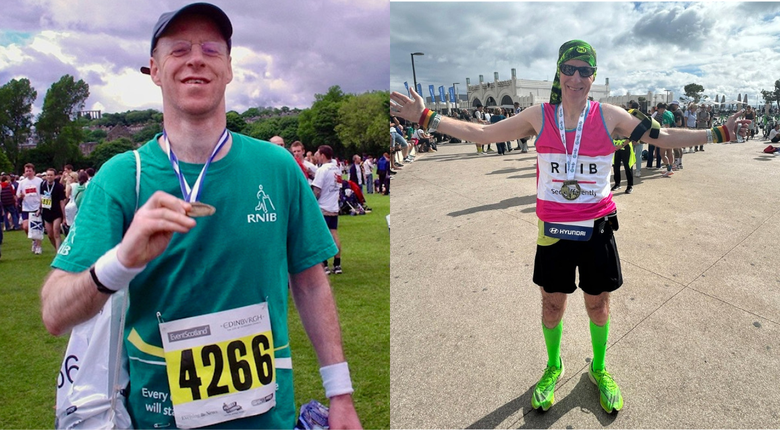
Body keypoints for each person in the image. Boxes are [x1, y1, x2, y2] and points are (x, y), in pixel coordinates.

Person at [41, 4, 361, 429]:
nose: (196, 58)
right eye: (179, 50)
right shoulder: (122, 177)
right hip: (159, 417)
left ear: (229, 68)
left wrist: (340, 394)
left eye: (211, 49)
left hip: (267, 419)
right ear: (154, 69)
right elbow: (54, 313)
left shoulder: (277, 166)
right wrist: (121, 262)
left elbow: (310, 282)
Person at [391, 39, 749, 415]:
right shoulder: (539, 115)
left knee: (598, 305)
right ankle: (553, 366)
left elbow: (662, 137)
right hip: (553, 232)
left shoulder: (610, 116)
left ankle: (598, 368)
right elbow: (481, 133)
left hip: (596, 229)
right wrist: (427, 117)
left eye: (585, 70)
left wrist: (718, 133)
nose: (577, 77)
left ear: (593, 76)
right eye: (570, 69)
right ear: (559, 72)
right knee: (551, 305)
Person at [311, 145, 343, 275]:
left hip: (322, 207)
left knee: (321, 236)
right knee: (334, 234)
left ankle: (324, 264)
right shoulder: (337, 169)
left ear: (323, 155)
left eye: (318, 154)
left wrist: (311, 203)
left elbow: (317, 190)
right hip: (333, 206)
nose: (316, 156)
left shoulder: (322, 170)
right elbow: (338, 186)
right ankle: (337, 264)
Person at [17, 163, 43, 254]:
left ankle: (39, 246)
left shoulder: (39, 181)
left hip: (37, 206)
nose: (28, 172)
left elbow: (43, 193)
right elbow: (18, 195)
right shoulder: (22, 183)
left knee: (37, 227)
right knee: (25, 227)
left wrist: (41, 205)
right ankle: (34, 240)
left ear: (33, 171)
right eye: (26, 171)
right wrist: (20, 196)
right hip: (26, 207)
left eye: (30, 171)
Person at [40, 168, 67, 252]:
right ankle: (59, 250)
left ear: (55, 176)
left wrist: (64, 216)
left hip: (56, 212)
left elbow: (62, 202)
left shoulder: (59, 186)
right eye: (48, 175)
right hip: (46, 211)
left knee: (56, 233)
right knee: (50, 234)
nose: (49, 177)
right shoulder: (43, 185)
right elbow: (41, 198)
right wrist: (39, 208)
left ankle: (58, 253)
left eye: (51, 175)